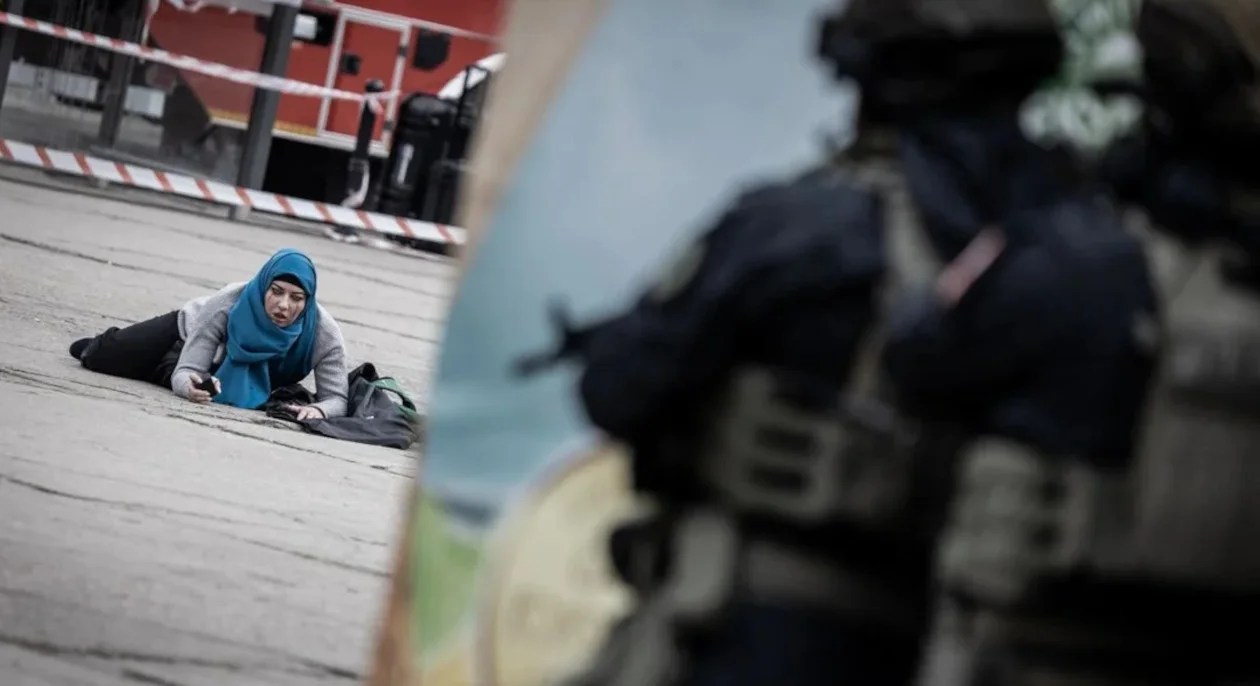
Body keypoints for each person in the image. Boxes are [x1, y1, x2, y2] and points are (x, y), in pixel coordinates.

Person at [69, 247, 349, 420]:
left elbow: (338, 399)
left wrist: (320, 410)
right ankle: (115, 344)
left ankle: (153, 366)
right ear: (263, 286)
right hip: (183, 333)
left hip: (215, 365)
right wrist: (185, 386)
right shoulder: (227, 304)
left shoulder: (324, 334)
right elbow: (187, 370)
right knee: (98, 356)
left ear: (308, 301)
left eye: (296, 298)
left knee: (188, 378)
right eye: (276, 292)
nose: (284, 305)